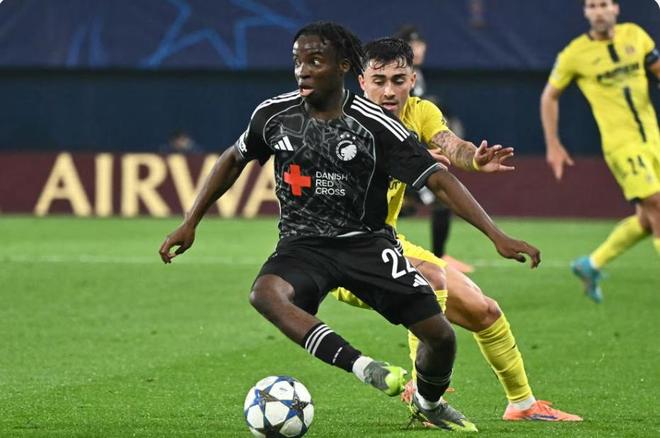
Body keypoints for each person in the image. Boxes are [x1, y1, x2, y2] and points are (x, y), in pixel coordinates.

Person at [159, 22, 541, 432]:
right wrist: (190, 222)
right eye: (298, 61)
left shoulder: (381, 125)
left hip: (369, 245)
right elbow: (234, 158)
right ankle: (366, 368)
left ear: (343, 66)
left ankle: (432, 401)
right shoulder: (274, 114)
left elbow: (440, 175)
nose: (303, 70)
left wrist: (496, 234)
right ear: (361, 78)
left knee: (448, 334)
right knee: (265, 293)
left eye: (315, 61)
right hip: (304, 245)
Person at [332, 37, 582, 422]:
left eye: (398, 80)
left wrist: (474, 159)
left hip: (388, 242)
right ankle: (425, 393)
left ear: (412, 79)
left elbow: (451, 146)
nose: (389, 91)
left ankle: (522, 405)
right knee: (429, 279)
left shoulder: (420, 112)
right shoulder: (340, 122)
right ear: (362, 82)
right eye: (378, 81)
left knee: (484, 311)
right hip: (342, 254)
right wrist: (406, 158)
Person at [541, 0, 660, 303]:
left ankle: (591, 264)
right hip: (621, 145)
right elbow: (549, 96)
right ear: (586, 12)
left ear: (615, 8)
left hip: (653, 138)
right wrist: (553, 143)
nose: (599, 11)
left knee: (647, 220)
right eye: (592, 6)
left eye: (604, 4)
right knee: (657, 205)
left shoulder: (636, 35)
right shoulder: (574, 53)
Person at [394, 25, 475, 274]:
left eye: (420, 45)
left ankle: (438, 257)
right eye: (412, 45)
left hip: (411, 153)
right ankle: (437, 258)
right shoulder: (397, 76)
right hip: (398, 155)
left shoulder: (417, 75)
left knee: (427, 202)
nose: (418, 49)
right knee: (437, 200)